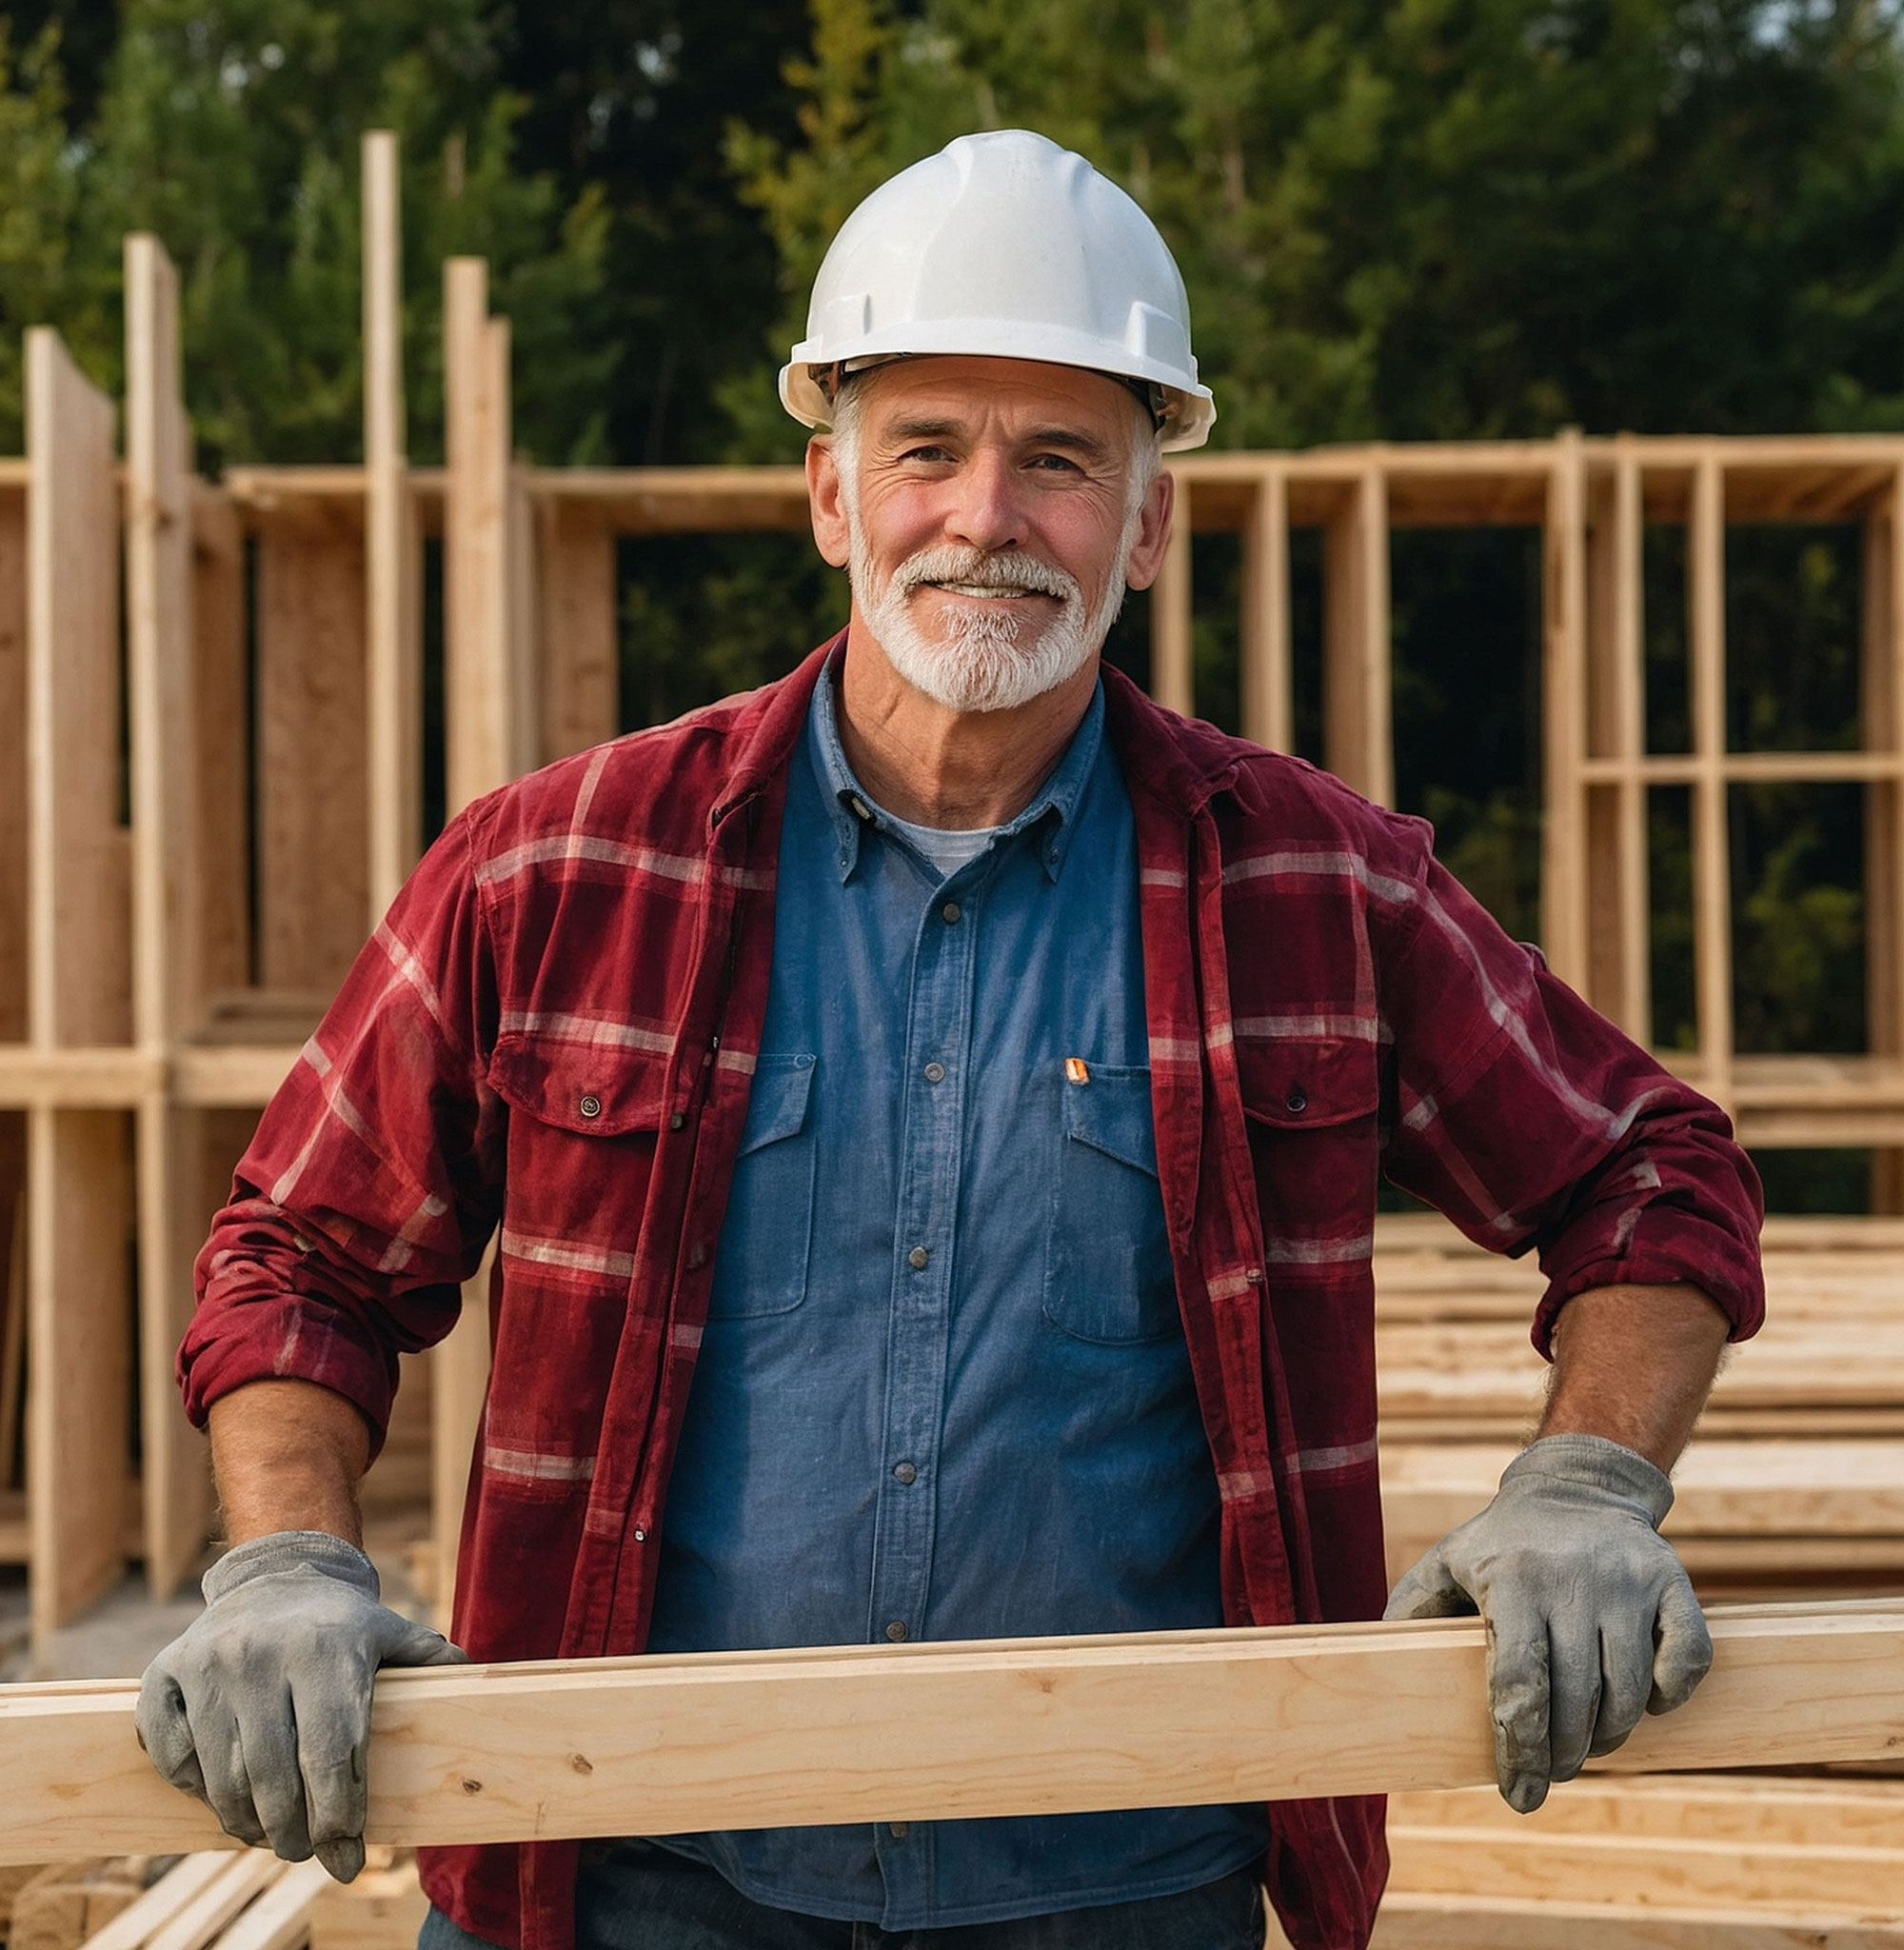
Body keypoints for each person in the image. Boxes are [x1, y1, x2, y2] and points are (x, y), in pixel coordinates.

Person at [136, 129, 1763, 1950]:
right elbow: (301, 1256)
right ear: (833, 496)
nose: (987, 514)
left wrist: (1589, 1481)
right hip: (626, 1883)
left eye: (1061, 459)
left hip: (1131, 1891)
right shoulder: (563, 865)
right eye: (926, 449)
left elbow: (1651, 1168)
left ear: (1146, 521)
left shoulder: (1313, 886)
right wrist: (285, 1556)